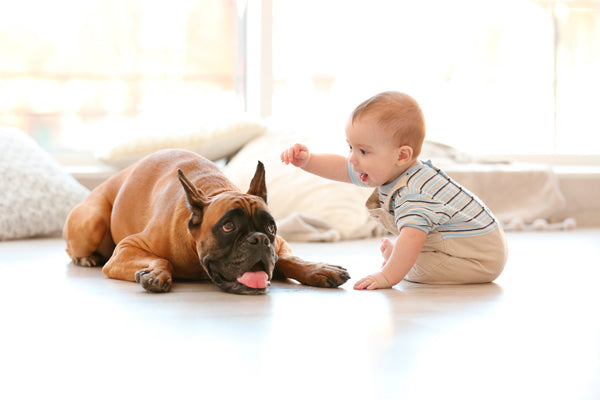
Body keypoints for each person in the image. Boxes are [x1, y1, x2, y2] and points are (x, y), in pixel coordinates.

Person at [280, 91, 508, 290]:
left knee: (412, 268)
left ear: (402, 155)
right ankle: (399, 257)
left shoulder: (413, 193)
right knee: (406, 252)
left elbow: (412, 237)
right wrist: (308, 160)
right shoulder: (393, 169)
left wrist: (387, 275)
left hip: (477, 259)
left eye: (363, 151)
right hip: (471, 246)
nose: (353, 158)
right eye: (351, 147)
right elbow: (342, 167)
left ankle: (398, 260)